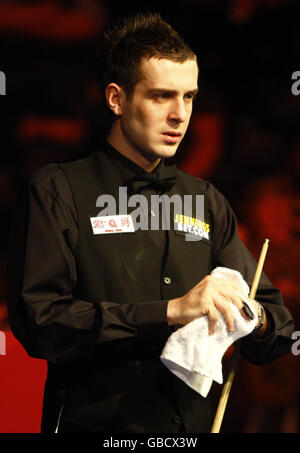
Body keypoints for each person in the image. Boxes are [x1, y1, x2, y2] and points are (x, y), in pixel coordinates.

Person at [7, 12, 294, 433]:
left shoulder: (205, 200)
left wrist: (251, 316)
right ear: (116, 99)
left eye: (190, 97)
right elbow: (42, 323)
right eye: (161, 96)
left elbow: (277, 326)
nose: (180, 115)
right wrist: (170, 312)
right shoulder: (58, 191)